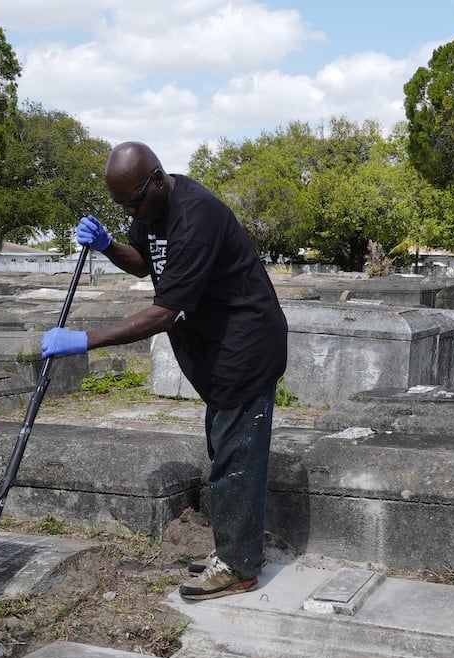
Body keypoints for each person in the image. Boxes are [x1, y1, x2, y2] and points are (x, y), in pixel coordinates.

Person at [41, 141, 288, 601]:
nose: (132, 211)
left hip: (246, 346)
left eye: (133, 202)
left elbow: (164, 312)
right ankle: (239, 549)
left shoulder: (197, 218)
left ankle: (239, 567)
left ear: (156, 179)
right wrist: (108, 245)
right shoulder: (151, 206)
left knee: (236, 459)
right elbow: (143, 263)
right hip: (216, 349)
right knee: (226, 447)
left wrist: (85, 340)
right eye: (123, 206)